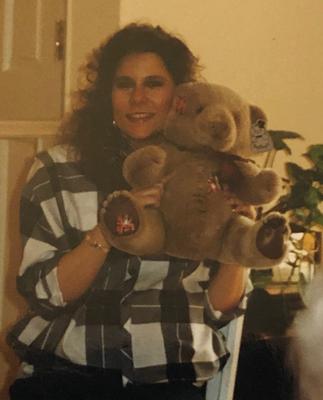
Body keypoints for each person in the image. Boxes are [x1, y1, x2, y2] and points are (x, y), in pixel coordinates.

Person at [8, 23, 251, 400]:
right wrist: (106, 232)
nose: (139, 98)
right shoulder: (57, 171)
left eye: (154, 83)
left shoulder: (207, 174)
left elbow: (218, 311)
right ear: (107, 95)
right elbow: (43, 295)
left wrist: (240, 241)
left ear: (180, 97)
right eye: (125, 84)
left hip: (171, 378)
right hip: (72, 374)